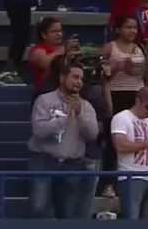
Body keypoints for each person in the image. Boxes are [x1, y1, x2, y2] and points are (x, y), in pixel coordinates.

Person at [28, 63, 99, 218]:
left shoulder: (86, 106)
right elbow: (38, 130)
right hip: (44, 160)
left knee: (67, 211)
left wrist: (80, 114)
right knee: (38, 207)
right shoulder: (44, 101)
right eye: (75, 77)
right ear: (62, 78)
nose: (79, 82)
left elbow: (92, 135)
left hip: (71, 164)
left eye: (81, 79)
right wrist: (63, 120)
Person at [100, 16, 146, 198]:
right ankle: (108, 183)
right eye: (128, 27)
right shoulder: (110, 47)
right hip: (116, 95)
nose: (132, 31)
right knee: (113, 144)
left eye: (135, 28)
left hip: (136, 96)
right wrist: (117, 67)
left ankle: (135, 180)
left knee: (136, 139)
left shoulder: (141, 49)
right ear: (118, 29)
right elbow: (103, 78)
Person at [110, 86, 148, 219]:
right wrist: (147, 144)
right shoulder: (121, 118)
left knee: (147, 220)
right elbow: (120, 146)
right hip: (130, 175)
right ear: (138, 101)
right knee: (131, 218)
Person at [28, 17, 77, 90]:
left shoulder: (64, 48)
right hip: (46, 91)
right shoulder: (38, 50)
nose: (59, 34)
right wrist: (61, 51)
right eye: (54, 31)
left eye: (60, 31)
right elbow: (43, 62)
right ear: (44, 35)